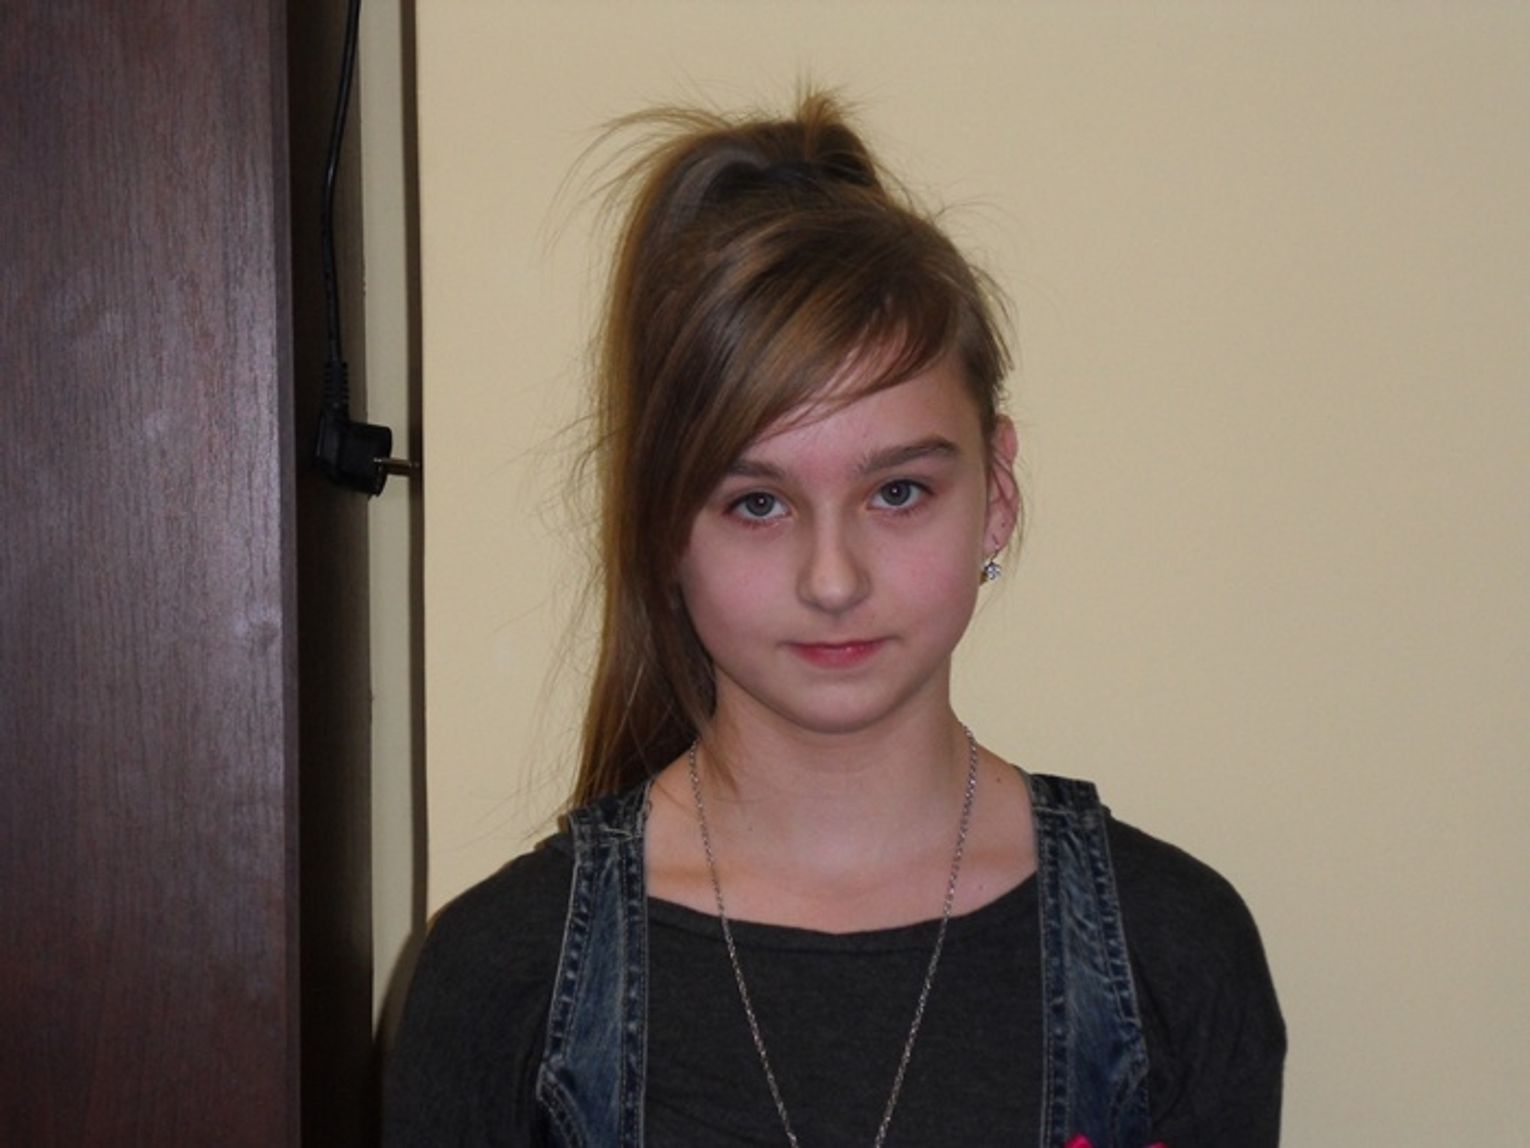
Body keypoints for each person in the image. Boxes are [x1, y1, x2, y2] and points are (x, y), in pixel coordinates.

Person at [384, 92, 1285, 1147]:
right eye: (757, 503)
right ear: (664, 523)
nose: (832, 577)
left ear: (996, 492)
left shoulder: (1173, 950)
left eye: (897, 491)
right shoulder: (502, 978)